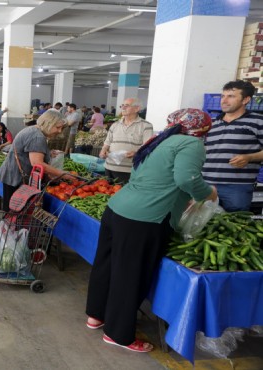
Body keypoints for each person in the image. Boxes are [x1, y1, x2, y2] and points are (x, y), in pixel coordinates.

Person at [86, 108, 218, 353]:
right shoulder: (191, 143)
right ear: (201, 129)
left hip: (117, 209)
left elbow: (155, 176)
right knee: (130, 275)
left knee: (106, 264)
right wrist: (207, 193)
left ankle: (96, 315)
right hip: (145, 218)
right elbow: (187, 179)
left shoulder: (158, 140)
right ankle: (118, 334)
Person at [203, 80, 263, 211]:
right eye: (223, 96)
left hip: (237, 187)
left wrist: (250, 157)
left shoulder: (258, 122)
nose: (224, 100)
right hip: (205, 184)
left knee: (234, 225)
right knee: (201, 225)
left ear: (245, 99)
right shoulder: (210, 123)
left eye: (231, 96)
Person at [0, 110, 67, 211]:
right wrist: (61, 174)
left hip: (12, 175)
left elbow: (29, 151)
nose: (59, 131)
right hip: (17, 179)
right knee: (15, 215)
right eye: (58, 127)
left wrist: (47, 152)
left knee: (11, 213)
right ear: (48, 123)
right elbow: (37, 163)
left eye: (61, 128)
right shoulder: (37, 136)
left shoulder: (32, 130)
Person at [99, 98, 153, 184]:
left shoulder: (146, 126)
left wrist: (136, 152)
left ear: (137, 108)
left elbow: (148, 146)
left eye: (126, 106)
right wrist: (103, 150)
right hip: (109, 166)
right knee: (107, 193)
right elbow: (107, 143)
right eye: (122, 106)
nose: (123, 108)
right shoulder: (115, 125)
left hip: (128, 169)